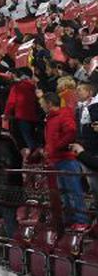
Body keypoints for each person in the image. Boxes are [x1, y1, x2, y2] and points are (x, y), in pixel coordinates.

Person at [41, 92, 88, 230]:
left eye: (42, 102)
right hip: (56, 160)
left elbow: (71, 132)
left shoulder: (63, 115)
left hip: (66, 159)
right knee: (65, 192)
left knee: (74, 191)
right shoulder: (50, 118)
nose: (41, 105)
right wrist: (48, 149)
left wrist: (55, 147)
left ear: (49, 103)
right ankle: (71, 219)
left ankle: (82, 221)